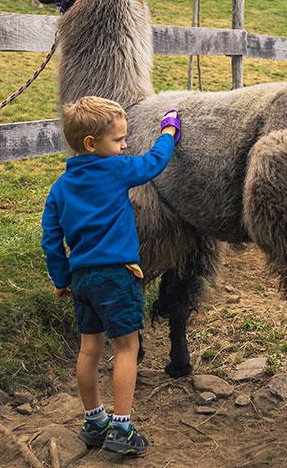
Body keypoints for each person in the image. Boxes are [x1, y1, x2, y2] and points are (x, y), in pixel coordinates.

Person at [41, 96, 181, 457]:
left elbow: (51, 239)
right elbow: (153, 163)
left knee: (89, 349)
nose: (124, 146)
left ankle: (94, 421)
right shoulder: (116, 170)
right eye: (118, 140)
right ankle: (122, 427)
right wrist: (169, 132)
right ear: (91, 143)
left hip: (82, 280)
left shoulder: (60, 188)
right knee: (126, 348)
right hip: (117, 276)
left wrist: (61, 279)